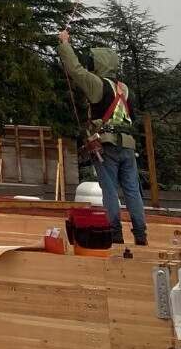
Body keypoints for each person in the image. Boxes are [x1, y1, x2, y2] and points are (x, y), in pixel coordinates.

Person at [59, 29, 148, 246]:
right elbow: (132, 117)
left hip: (106, 145)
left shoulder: (98, 84)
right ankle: (140, 235)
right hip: (127, 146)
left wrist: (64, 44)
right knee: (132, 191)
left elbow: (76, 71)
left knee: (109, 189)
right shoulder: (124, 90)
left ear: (98, 64)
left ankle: (115, 233)